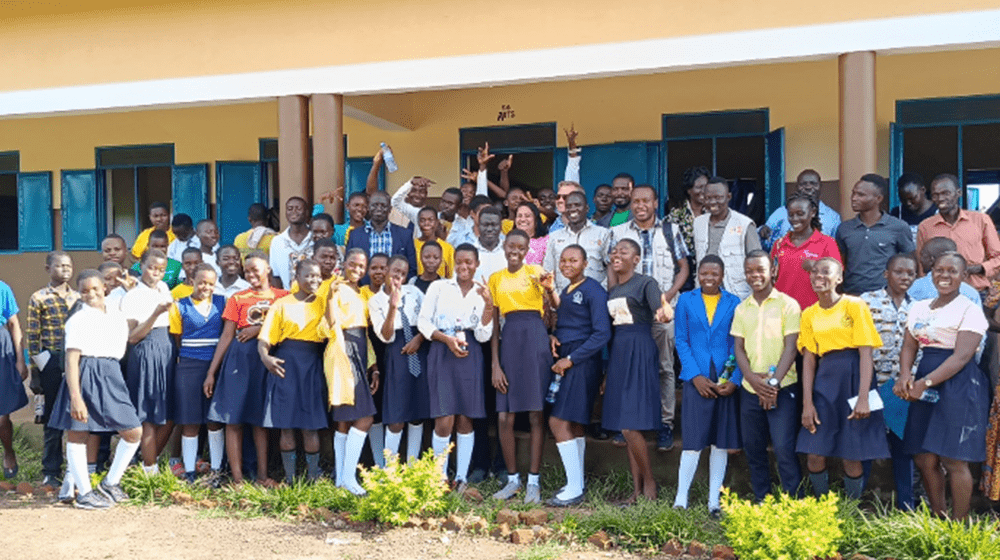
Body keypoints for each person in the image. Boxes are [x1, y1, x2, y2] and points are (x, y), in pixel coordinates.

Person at [896, 252, 988, 520]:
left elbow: (961, 356)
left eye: (952, 271)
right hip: (926, 377)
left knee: (954, 459)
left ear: (963, 277)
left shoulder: (969, 309)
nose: (944, 276)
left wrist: (925, 383)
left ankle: (958, 527)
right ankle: (939, 518)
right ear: (930, 272)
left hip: (958, 383)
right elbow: (910, 344)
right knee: (924, 457)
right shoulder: (920, 307)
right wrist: (905, 376)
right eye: (939, 270)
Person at [46, 269, 143, 509]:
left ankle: (110, 483)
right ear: (79, 293)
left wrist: (133, 291)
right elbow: (71, 360)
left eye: (95, 289)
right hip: (86, 371)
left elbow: (134, 320)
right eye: (85, 291)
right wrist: (76, 397)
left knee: (133, 432)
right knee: (78, 432)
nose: (91, 294)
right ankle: (84, 493)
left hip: (111, 372)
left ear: (104, 289)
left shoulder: (115, 311)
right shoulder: (78, 319)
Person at [797, 257, 889, 499]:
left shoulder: (854, 305)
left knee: (852, 454)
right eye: (814, 272)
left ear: (839, 278)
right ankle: (822, 505)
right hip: (825, 383)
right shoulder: (809, 314)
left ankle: (851, 509)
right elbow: (808, 360)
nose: (818, 276)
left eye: (825, 271)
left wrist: (863, 398)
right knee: (814, 453)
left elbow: (865, 353)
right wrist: (807, 403)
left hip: (854, 378)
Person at [608, 184, 690, 451]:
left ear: (656, 203)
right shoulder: (618, 233)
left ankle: (665, 424)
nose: (640, 205)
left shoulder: (670, 230)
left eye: (645, 200)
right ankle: (629, 424)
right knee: (630, 369)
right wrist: (613, 295)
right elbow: (611, 268)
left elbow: (684, 268)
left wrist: (666, 296)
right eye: (635, 201)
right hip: (630, 314)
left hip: (661, 312)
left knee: (664, 368)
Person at [204, 252, 287, 487]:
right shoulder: (238, 298)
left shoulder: (282, 297)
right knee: (234, 420)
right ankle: (238, 479)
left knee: (261, 420)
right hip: (239, 362)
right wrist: (212, 372)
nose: (250, 274)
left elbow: (287, 326)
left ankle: (262, 475)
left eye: (255, 269)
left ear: (268, 269)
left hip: (267, 363)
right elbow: (227, 336)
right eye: (246, 271)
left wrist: (259, 327)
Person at [418, 244, 494, 489]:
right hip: (442, 351)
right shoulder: (439, 287)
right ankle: (439, 476)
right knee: (444, 417)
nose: (464, 267)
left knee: (465, 418)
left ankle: (461, 477)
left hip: (469, 353)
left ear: (477, 264)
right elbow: (424, 322)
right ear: (453, 263)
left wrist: (489, 307)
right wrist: (447, 340)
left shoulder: (482, 293)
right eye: (459, 262)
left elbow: (483, 335)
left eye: (469, 262)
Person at [489, 229, 556, 504]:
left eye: (520, 247)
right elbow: (495, 326)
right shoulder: (495, 278)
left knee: (535, 414)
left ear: (527, 249)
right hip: (510, 343)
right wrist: (495, 363)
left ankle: (534, 482)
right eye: (510, 246)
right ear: (504, 247)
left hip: (535, 341)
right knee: (505, 416)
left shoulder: (536, 271)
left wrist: (550, 290)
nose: (515, 250)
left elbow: (552, 307)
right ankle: (513, 480)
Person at [732, 250, 802, 502]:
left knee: (784, 448)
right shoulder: (742, 309)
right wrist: (752, 379)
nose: (755, 275)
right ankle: (763, 499)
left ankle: (794, 502)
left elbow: (791, 347)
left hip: (782, 389)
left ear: (772, 270)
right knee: (754, 448)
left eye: (760, 270)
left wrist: (772, 385)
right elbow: (738, 348)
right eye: (750, 271)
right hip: (750, 390)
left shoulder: (788, 304)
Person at [674, 255, 741, 515]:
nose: (709, 278)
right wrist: (694, 376)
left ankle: (714, 501)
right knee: (692, 440)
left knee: (719, 442)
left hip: (724, 378)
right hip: (697, 377)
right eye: (704, 274)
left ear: (722, 276)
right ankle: (681, 498)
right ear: (697, 275)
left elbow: (738, 343)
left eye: (714, 274)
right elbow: (681, 340)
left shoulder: (734, 303)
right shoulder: (686, 300)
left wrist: (733, 380)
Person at [546, 245, 611, 506]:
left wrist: (570, 360)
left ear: (585, 263)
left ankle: (574, 488)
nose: (567, 264)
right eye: (563, 260)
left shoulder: (593, 290)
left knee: (557, 422)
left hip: (581, 361)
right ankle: (578, 481)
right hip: (567, 357)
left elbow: (602, 333)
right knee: (573, 422)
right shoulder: (566, 289)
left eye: (573, 260)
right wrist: (553, 336)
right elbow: (564, 319)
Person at [602, 239, 666, 503]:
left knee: (630, 425)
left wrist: (664, 312)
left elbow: (659, 309)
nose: (617, 255)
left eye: (623, 252)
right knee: (625, 425)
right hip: (619, 351)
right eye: (614, 252)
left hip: (639, 349)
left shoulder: (645, 283)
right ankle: (636, 490)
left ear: (636, 259)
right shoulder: (613, 290)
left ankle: (650, 483)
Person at [258, 259, 329, 484]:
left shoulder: (322, 303)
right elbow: (265, 339)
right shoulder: (282, 304)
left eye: (318, 276)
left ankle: (313, 475)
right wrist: (265, 358)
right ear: (296, 278)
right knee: (286, 426)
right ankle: (290, 479)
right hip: (286, 365)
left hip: (312, 364)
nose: (314, 280)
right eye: (309, 275)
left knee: (311, 426)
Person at [860, 252, 919, 510]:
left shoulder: (918, 307)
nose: (905, 277)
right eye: (899, 272)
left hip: (903, 390)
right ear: (886, 274)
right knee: (865, 447)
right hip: (871, 386)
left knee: (903, 449)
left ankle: (906, 505)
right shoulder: (866, 302)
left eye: (911, 273)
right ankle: (853, 504)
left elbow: (920, 347)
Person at [325, 249, 379, 495]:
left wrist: (373, 366)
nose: (357, 269)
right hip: (342, 349)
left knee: (347, 418)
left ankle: (342, 480)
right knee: (363, 416)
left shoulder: (363, 292)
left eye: (361, 266)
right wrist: (328, 300)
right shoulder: (336, 287)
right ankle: (348, 478)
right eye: (353, 264)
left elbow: (365, 332)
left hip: (360, 348)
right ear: (344, 264)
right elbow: (330, 323)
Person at [25, 251, 79, 487]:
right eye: (59, 266)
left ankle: (77, 468)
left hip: (76, 361)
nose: (65, 270)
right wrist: (41, 367)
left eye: (68, 266)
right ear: (48, 269)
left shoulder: (79, 297)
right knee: (52, 417)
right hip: (51, 362)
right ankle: (51, 469)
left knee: (77, 414)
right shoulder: (39, 298)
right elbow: (32, 337)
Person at [168, 264, 226, 484]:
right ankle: (190, 471)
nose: (206, 287)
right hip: (189, 366)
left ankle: (217, 471)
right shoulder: (179, 306)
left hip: (216, 364)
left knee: (214, 420)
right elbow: (178, 338)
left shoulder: (222, 302)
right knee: (190, 420)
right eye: (201, 282)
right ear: (191, 280)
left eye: (211, 283)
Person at [121, 248, 176, 474]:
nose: (156, 273)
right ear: (141, 266)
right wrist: (154, 314)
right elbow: (132, 337)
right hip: (146, 351)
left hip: (167, 349)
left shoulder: (164, 288)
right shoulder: (133, 296)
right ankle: (149, 470)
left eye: (161, 270)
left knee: (171, 412)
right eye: (152, 268)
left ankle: (144, 459)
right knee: (149, 414)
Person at [369, 256, 429, 462]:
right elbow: (385, 335)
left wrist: (419, 339)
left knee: (417, 414)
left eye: (403, 274)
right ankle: (389, 469)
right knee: (396, 417)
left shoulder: (414, 292)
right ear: (386, 271)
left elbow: (428, 318)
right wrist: (393, 307)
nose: (399, 277)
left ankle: (412, 466)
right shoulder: (375, 300)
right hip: (396, 354)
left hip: (418, 350)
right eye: (395, 271)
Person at [917, 173, 1000, 294]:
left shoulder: (981, 220)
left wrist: (977, 268)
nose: (940, 199)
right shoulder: (925, 226)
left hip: (977, 292)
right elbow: (921, 266)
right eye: (935, 195)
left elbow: (998, 258)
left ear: (959, 193)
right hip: (939, 295)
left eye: (946, 193)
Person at [836, 174, 915, 295]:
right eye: (854, 193)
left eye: (861, 195)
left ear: (878, 198)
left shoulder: (898, 227)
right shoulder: (844, 228)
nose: (854, 198)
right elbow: (841, 264)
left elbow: (911, 261)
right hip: (851, 296)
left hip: (884, 297)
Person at [770, 192, 842, 311]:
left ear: (812, 212)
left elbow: (837, 275)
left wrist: (816, 266)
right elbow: (772, 278)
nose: (795, 219)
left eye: (800, 214)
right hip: (783, 311)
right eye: (791, 215)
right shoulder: (779, 244)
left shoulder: (827, 243)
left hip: (816, 310)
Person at [693, 177, 761, 299]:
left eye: (718, 198)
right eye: (708, 198)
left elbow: (756, 263)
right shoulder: (698, 223)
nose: (713, 202)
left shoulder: (745, 224)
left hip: (737, 294)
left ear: (728, 197)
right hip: (705, 294)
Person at [544, 191, 612, 291]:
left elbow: (612, 268)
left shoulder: (603, 234)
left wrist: (600, 294)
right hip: (563, 299)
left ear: (587, 208)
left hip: (594, 300)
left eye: (577, 205)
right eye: (569, 206)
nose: (572, 209)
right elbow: (548, 270)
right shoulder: (553, 237)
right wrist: (555, 298)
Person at [759, 170, 842, 251]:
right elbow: (767, 244)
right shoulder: (780, 213)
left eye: (813, 184)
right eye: (803, 184)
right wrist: (761, 233)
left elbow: (835, 251)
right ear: (797, 187)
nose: (808, 187)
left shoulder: (833, 218)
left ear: (820, 186)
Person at [345, 190, 418, 281]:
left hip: (394, 290)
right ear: (368, 207)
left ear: (390, 209)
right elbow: (349, 266)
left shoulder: (405, 235)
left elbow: (412, 269)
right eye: (375, 205)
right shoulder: (355, 235)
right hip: (363, 291)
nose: (379, 208)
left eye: (383, 205)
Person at [0, 279, 28, 482]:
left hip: (1, 352)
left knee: (1, 417)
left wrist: (20, 359)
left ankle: (8, 451)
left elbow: (14, 324)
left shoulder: (2, 288)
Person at [909, 237, 982, 304]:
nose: (920, 260)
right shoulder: (971, 293)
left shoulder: (915, 287)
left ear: (931, 260)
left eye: (923, 255)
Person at [269, 197, 314, 289]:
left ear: (306, 212)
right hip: (288, 297)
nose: (294, 211)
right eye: (290, 209)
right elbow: (275, 276)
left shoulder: (315, 237)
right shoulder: (277, 241)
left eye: (298, 208)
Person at [667, 166, 709, 259]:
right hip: (685, 269)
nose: (703, 191)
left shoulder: (713, 213)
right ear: (689, 190)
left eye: (706, 187)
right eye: (699, 187)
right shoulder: (677, 214)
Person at [415, 206, 455, 277]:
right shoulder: (411, 245)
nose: (426, 223)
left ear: (437, 222)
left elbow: (451, 276)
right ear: (418, 223)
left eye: (431, 220)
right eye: (422, 220)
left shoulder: (448, 248)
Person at [472, 206, 507, 284]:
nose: (490, 229)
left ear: (501, 227)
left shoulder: (509, 251)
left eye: (494, 225)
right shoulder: (469, 252)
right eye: (485, 225)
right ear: (478, 226)